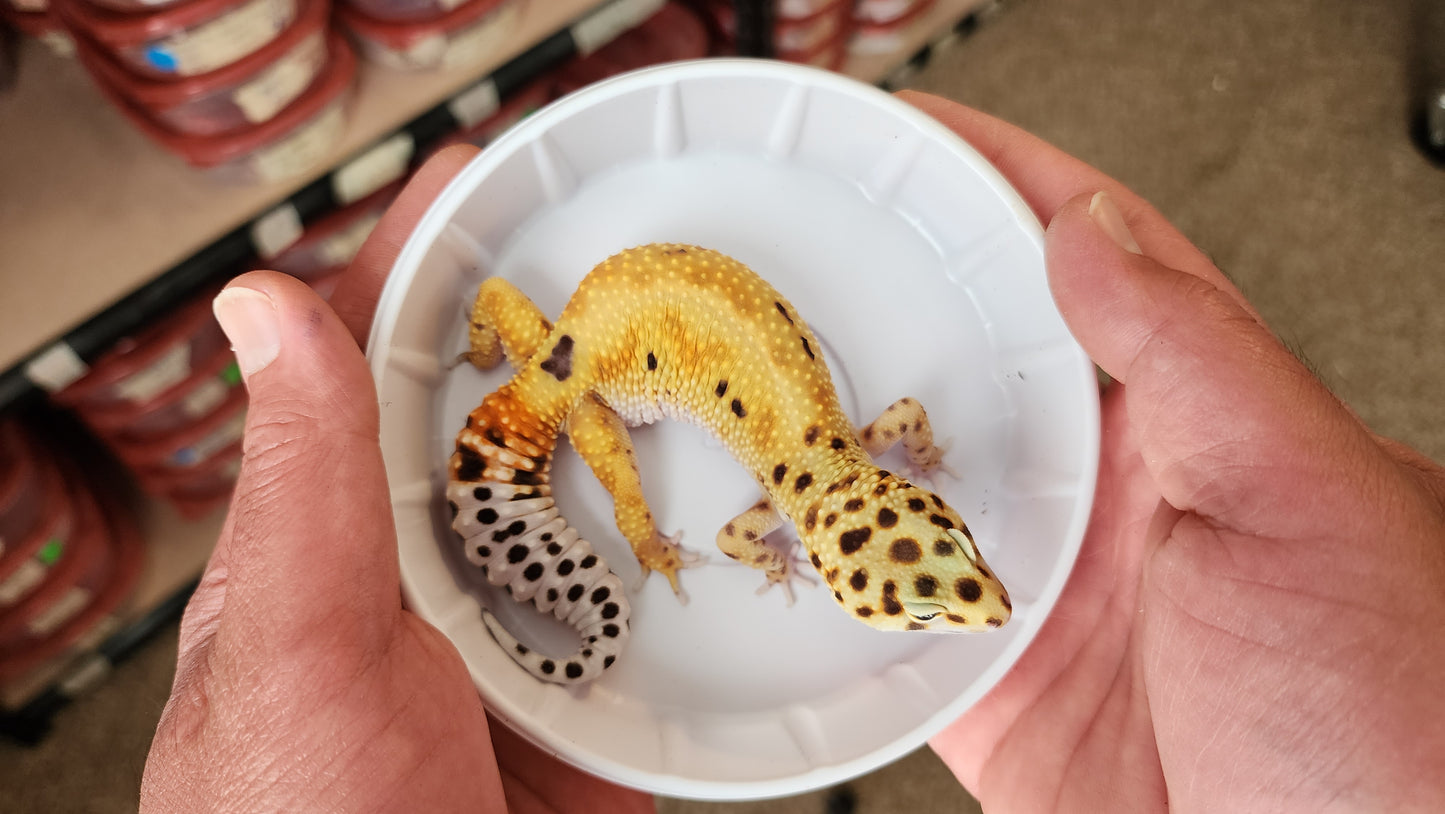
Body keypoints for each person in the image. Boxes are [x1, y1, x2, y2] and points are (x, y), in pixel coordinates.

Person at [138, 93, 1445, 813]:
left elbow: (865, 459)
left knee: (574, 420)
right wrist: (651, 537)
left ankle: (529, 398)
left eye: (934, 571)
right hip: (591, 372)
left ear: (880, 502)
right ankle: (609, 517)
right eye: (945, 578)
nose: (971, 595)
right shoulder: (801, 480)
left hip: (593, 337)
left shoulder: (845, 459)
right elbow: (781, 505)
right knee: (620, 494)